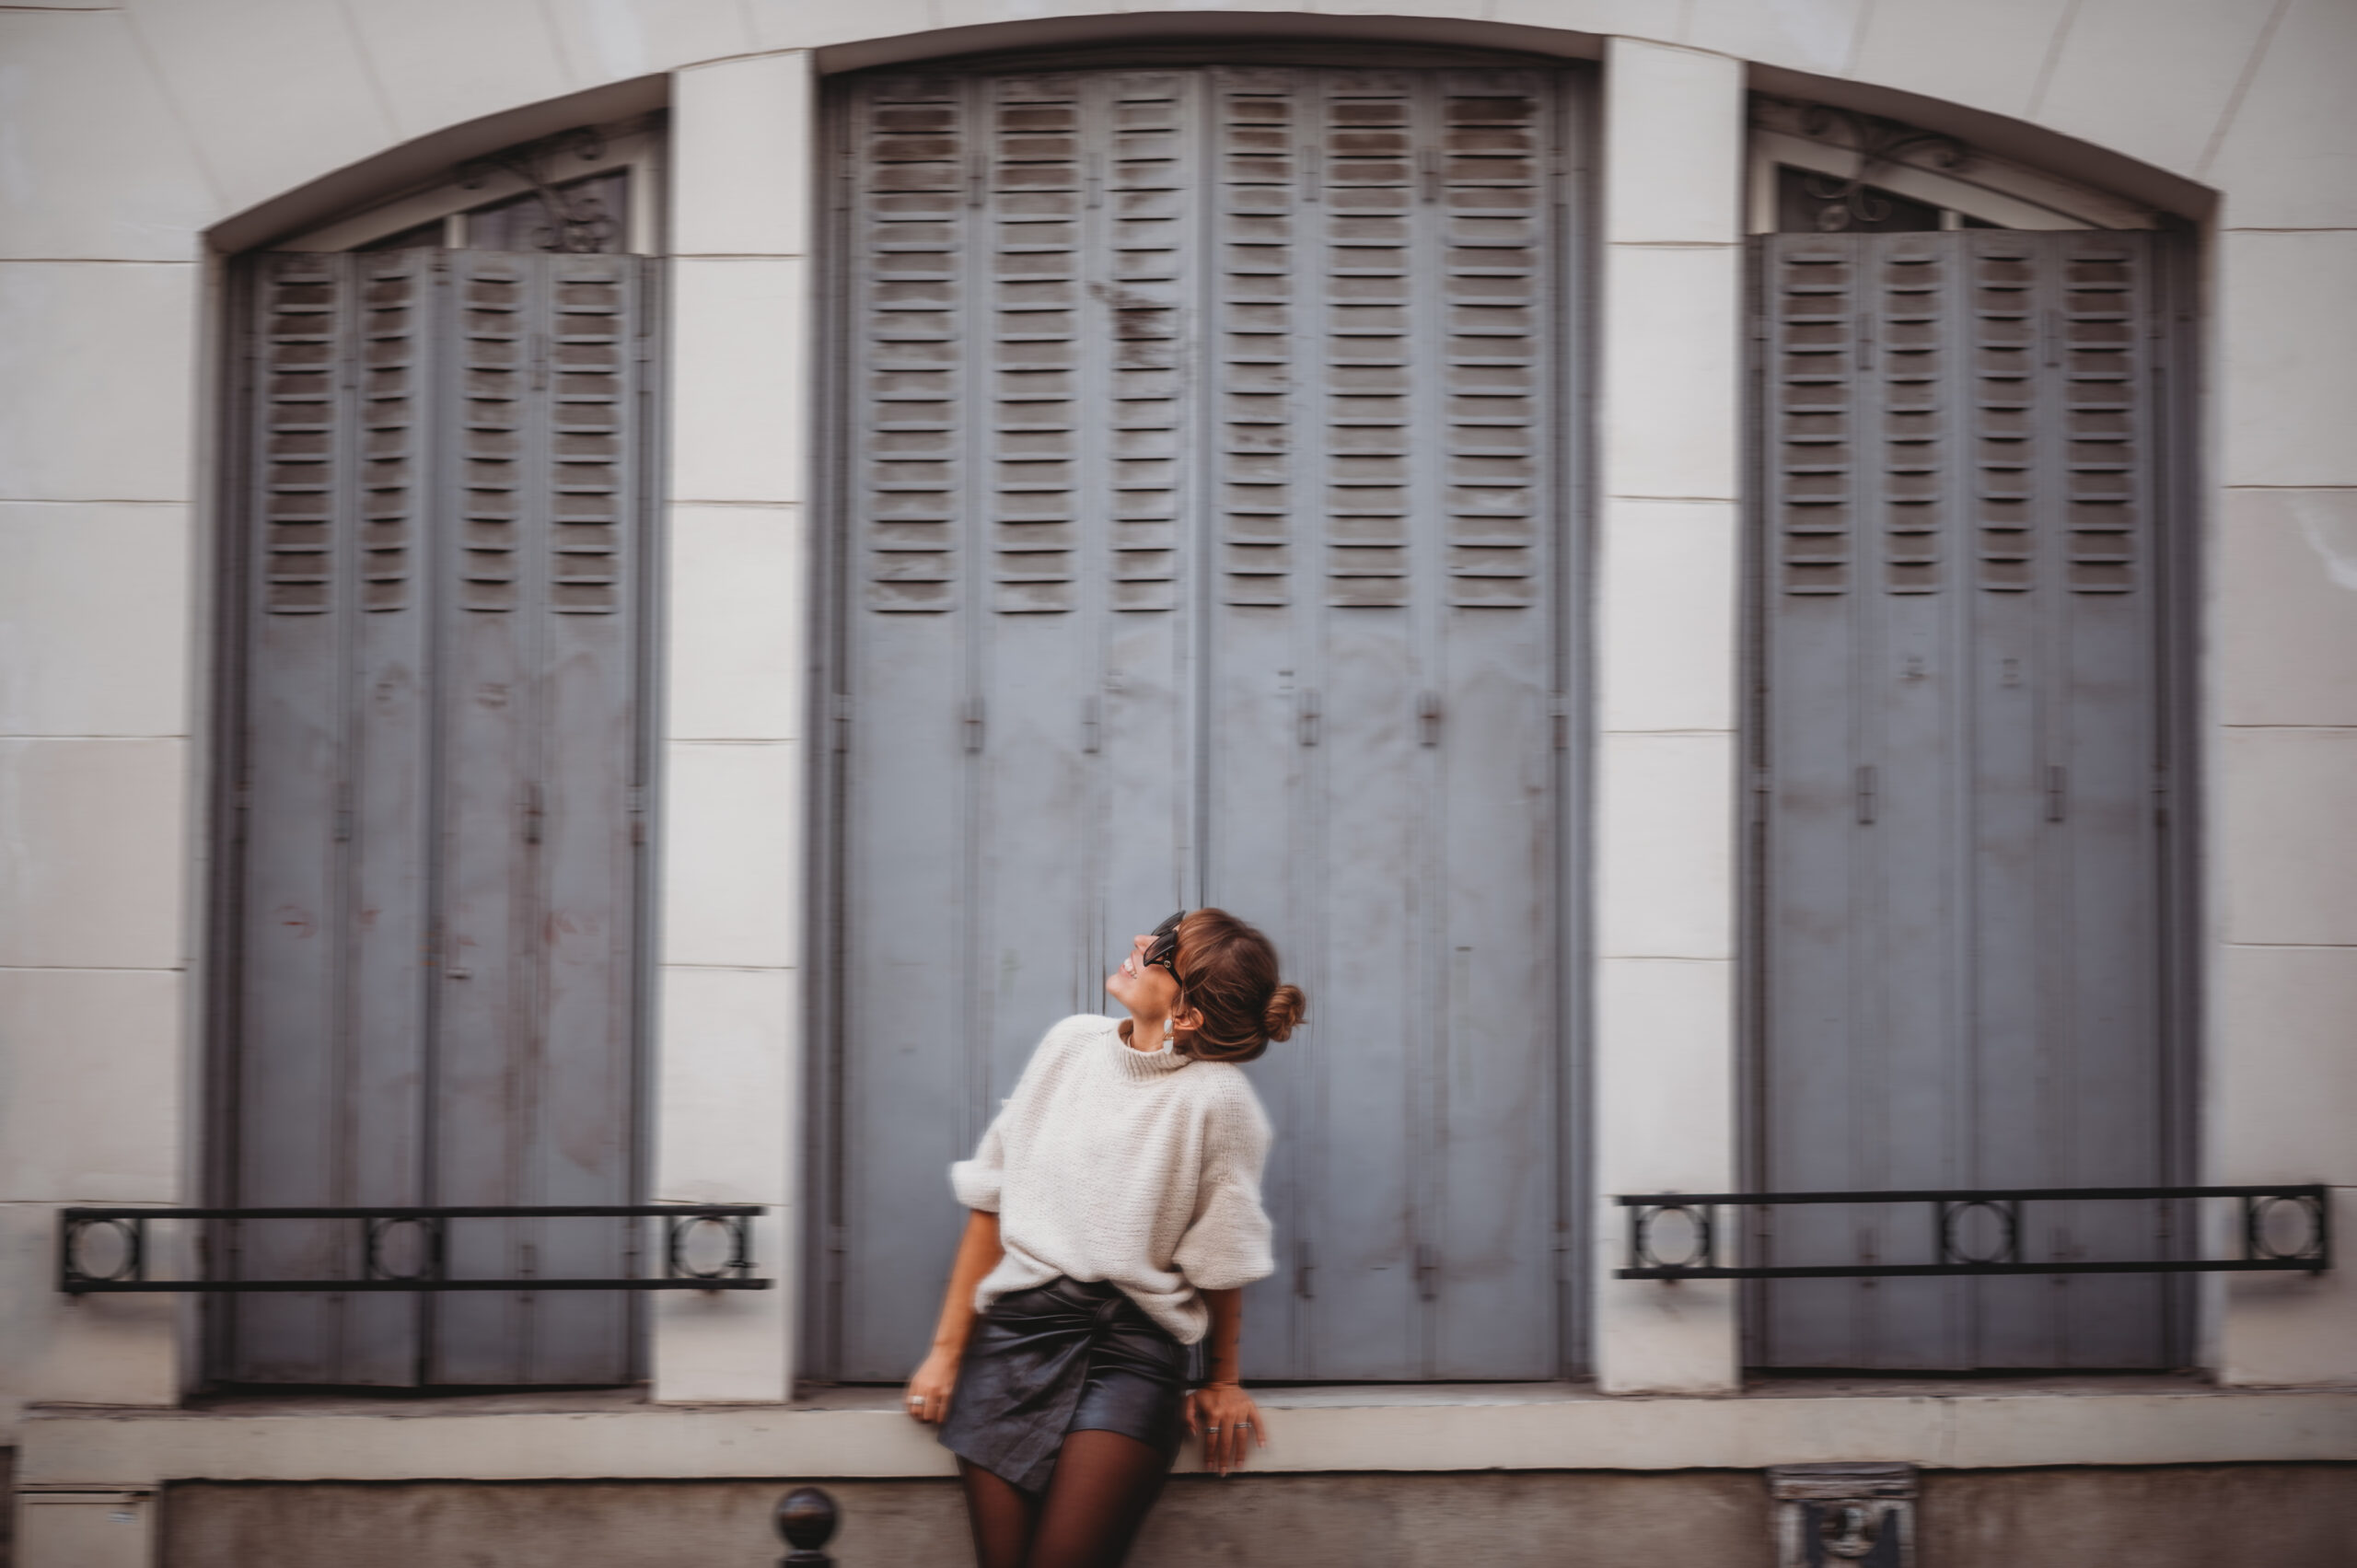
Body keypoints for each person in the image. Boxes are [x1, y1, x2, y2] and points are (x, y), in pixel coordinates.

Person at [903, 909, 1307, 1568]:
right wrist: (946, 1354)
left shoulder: (1219, 1099)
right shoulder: (1069, 1045)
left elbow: (1222, 1254)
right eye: (1161, 927)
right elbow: (990, 1200)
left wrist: (1223, 1379)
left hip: (1130, 1352)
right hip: (1012, 1342)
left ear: (1188, 1013)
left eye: (1164, 948)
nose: (1142, 942)